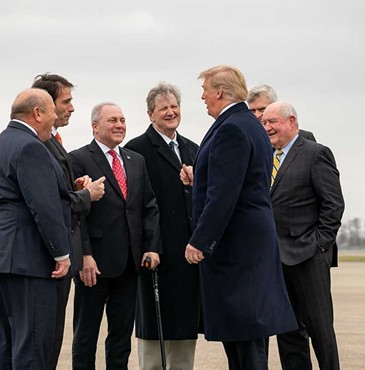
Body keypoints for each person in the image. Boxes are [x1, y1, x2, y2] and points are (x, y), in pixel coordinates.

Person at [183, 65, 297, 370]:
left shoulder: (232, 128)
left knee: (245, 339)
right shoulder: (248, 124)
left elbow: (224, 193)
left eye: (205, 90)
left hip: (237, 250)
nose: (203, 97)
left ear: (220, 92)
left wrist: (200, 241)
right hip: (250, 245)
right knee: (246, 337)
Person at [0, 88, 73, 369]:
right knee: (32, 350)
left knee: (7, 347)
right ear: (37, 113)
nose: (55, 118)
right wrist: (61, 253)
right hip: (27, 260)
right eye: (52, 113)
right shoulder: (31, 147)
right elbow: (44, 206)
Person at [69, 102, 161, 369]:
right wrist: (85, 254)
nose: (120, 125)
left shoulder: (135, 160)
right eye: (112, 120)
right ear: (95, 127)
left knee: (121, 338)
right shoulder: (78, 159)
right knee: (86, 336)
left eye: (122, 120)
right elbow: (76, 214)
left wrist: (152, 247)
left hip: (130, 264)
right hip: (93, 265)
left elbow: (149, 205)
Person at [262, 101, 344, 370]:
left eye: (273, 121)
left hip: (309, 256)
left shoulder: (314, 153)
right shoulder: (265, 158)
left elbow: (333, 204)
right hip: (276, 261)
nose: (268, 127)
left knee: (320, 330)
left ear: (292, 122)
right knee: (288, 333)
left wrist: (320, 244)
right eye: (264, 123)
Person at [31, 73, 105, 369]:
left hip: (61, 258)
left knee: (51, 340)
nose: (72, 108)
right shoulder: (36, 144)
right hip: (49, 259)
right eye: (67, 101)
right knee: (42, 342)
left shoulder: (54, 141)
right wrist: (86, 195)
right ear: (45, 105)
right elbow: (46, 203)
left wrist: (72, 187)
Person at [125, 83, 200, 370]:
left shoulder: (193, 149)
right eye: (163, 108)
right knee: (153, 332)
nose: (171, 112)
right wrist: (148, 246)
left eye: (175, 107)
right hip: (154, 253)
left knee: (184, 329)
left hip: (187, 254)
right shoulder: (136, 150)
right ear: (150, 114)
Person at [247, 84, 316, 142]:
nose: (257, 115)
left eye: (262, 109)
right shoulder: (247, 139)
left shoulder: (304, 138)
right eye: (252, 111)